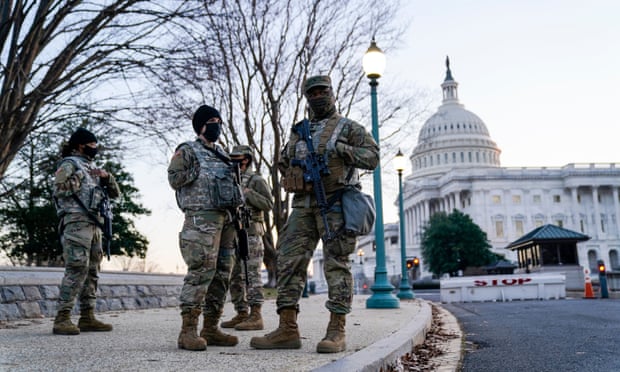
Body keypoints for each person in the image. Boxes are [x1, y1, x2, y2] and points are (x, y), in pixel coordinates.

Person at [250, 75, 379, 353]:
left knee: (336, 264)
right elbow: (283, 162)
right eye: (312, 93)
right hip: (303, 205)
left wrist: (341, 149)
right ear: (307, 97)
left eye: (323, 91)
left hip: (334, 203)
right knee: (288, 261)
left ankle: (336, 330)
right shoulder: (299, 131)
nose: (318, 96)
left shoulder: (349, 128)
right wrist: (291, 167)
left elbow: (372, 158)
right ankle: (287, 328)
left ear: (331, 93)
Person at [168, 105, 242, 351]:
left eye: (219, 120)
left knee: (222, 273)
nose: (217, 124)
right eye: (211, 120)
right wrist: (195, 170)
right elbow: (174, 179)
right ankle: (187, 331)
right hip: (201, 219)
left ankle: (211, 327)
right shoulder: (187, 150)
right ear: (200, 125)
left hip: (226, 219)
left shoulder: (221, 153)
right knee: (201, 272)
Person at [52, 127, 120, 335]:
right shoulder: (69, 164)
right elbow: (59, 189)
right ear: (80, 145)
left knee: (92, 271)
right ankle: (62, 318)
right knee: (76, 267)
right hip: (76, 222)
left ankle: (87, 316)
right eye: (92, 144)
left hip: (94, 224)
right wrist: (80, 176)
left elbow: (115, 195)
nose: (95, 148)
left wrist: (107, 177)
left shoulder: (93, 167)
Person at [220, 145, 274, 331]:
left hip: (250, 234)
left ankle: (256, 314)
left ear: (248, 159)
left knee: (252, 275)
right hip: (230, 234)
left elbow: (268, 204)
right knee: (234, 276)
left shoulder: (256, 180)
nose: (236, 162)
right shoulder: (228, 180)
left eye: (240, 158)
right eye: (233, 158)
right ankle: (241, 312)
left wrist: (249, 194)